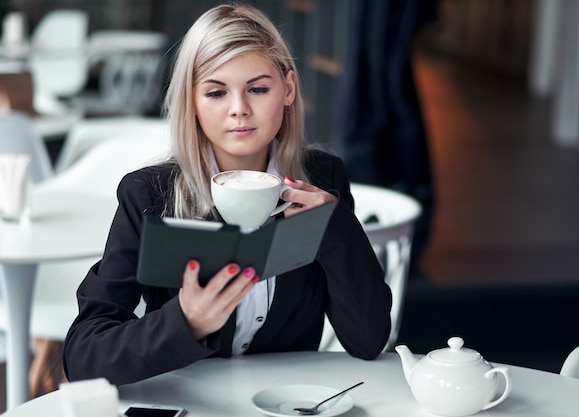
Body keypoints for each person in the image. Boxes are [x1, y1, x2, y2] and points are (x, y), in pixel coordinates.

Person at [63, 3, 392, 386]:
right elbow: (83, 355)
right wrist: (186, 322)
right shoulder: (148, 195)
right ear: (193, 102)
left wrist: (335, 227)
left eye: (257, 89)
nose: (239, 109)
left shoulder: (322, 179)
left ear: (287, 90)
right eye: (217, 93)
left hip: (284, 406)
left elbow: (369, 341)